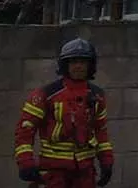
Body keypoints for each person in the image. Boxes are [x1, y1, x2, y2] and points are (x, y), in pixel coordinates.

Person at [14, 38, 114, 187]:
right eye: (73, 62)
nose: (78, 66)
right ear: (65, 65)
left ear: (90, 65)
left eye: (83, 62)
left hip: (85, 173)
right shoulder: (45, 94)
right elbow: (25, 130)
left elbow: (101, 132)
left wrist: (107, 161)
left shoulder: (97, 95)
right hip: (54, 172)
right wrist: (25, 162)